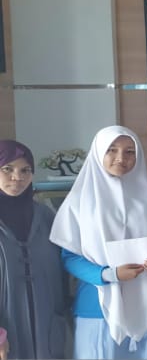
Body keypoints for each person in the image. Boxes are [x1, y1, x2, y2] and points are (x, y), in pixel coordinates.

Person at [49, 127, 147, 358]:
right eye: (111, 150)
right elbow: (70, 257)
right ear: (98, 152)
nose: (121, 158)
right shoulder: (79, 201)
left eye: (129, 151)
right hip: (97, 306)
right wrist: (109, 274)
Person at [0, 140, 68, 359]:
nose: (17, 177)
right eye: (7, 169)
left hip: (47, 326)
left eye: (25, 170)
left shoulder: (46, 217)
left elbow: (64, 270)